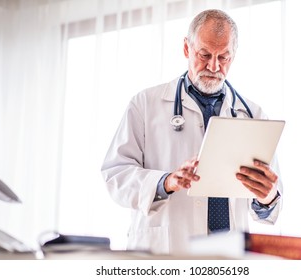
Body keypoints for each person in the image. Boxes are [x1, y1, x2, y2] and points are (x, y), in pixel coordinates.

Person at [101, 9, 283, 255]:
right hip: (165, 251)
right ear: (187, 48)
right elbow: (116, 174)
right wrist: (165, 182)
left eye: (224, 57)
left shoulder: (253, 113)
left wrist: (267, 196)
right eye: (204, 54)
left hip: (227, 256)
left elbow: (269, 202)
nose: (213, 66)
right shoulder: (145, 104)